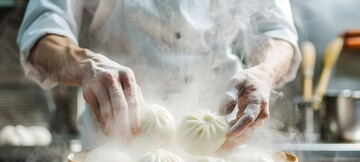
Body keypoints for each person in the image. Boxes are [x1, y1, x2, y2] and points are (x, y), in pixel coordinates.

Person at [17, 0, 300, 150]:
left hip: (225, 136)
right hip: (117, 141)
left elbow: (276, 33)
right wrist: (88, 65)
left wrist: (263, 73)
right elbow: (42, 35)